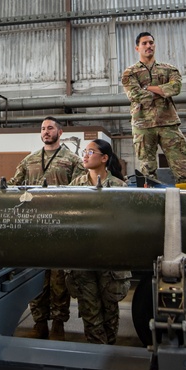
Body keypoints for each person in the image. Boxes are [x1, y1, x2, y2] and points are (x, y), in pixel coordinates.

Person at [9, 117, 85, 340]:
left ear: (60, 132)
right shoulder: (29, 160)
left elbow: (82, 190)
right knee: (36, 276)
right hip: (33, 227)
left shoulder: (72, 160)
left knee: (59, 278)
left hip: (60, 226)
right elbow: (15, 187)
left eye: (50, 128)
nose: (45, 132)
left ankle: (59, 323)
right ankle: (39, 320)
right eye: (43, 129)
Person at [65, 140, 131, 344]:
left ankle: (109, 351)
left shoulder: (120, 187)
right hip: (83, 257)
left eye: (90, 152)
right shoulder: (75, 185)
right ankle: (97, 351)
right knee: (89, 309)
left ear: (104, 158)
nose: (85, 155)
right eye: (84, 152)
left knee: (110, 310)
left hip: (111, 258)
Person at [120, 32, 186, 185]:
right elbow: (135, 95)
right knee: (147, 170)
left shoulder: (169, 69)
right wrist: (162, 91)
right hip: (143, 125)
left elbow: (175, 88)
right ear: (137, 48)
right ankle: (151, 203)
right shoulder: (130, 72)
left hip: (168, 123)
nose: (149, 46)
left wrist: (147, 87)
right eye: (144, 43)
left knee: (183, 167)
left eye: (151, 43)